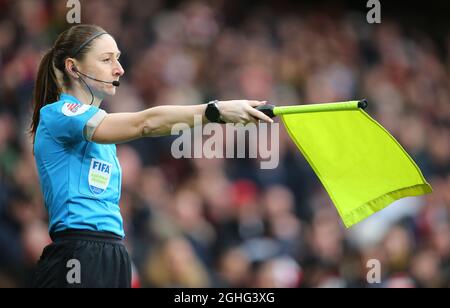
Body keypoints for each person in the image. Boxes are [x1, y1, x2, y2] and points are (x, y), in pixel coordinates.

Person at [30, 24, 273, 288]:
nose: (119, 69)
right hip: (76, 254)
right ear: (72, 66)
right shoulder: (60, 114)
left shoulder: (99, 129)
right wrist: (216, 111)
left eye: (118, 58)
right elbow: (144, 123)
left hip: (112, 252)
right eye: (106, 59)